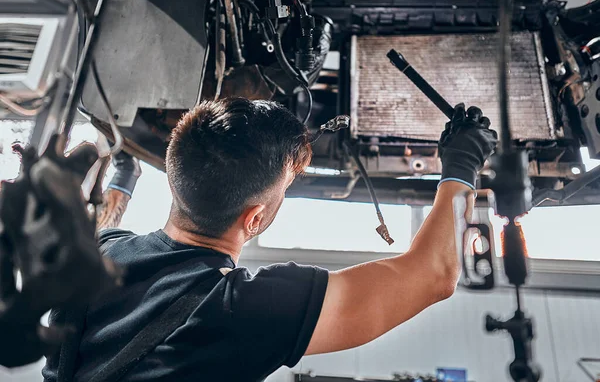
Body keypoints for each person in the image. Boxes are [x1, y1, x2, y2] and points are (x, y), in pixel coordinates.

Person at [43, 98, 497, 382]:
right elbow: (433, 274)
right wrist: (461, 169)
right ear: (255, 217)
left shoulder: (102, 251)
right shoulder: (238, 307)